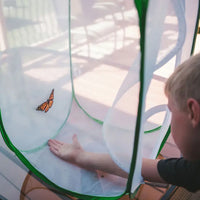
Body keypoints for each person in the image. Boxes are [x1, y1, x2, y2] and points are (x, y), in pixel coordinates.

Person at [48, 53, 200, 192]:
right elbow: (135, 166)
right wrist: (80, 156)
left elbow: (133, 166)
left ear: (193, 112)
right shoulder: (192, 169)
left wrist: (80, 156)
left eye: (171, 111)